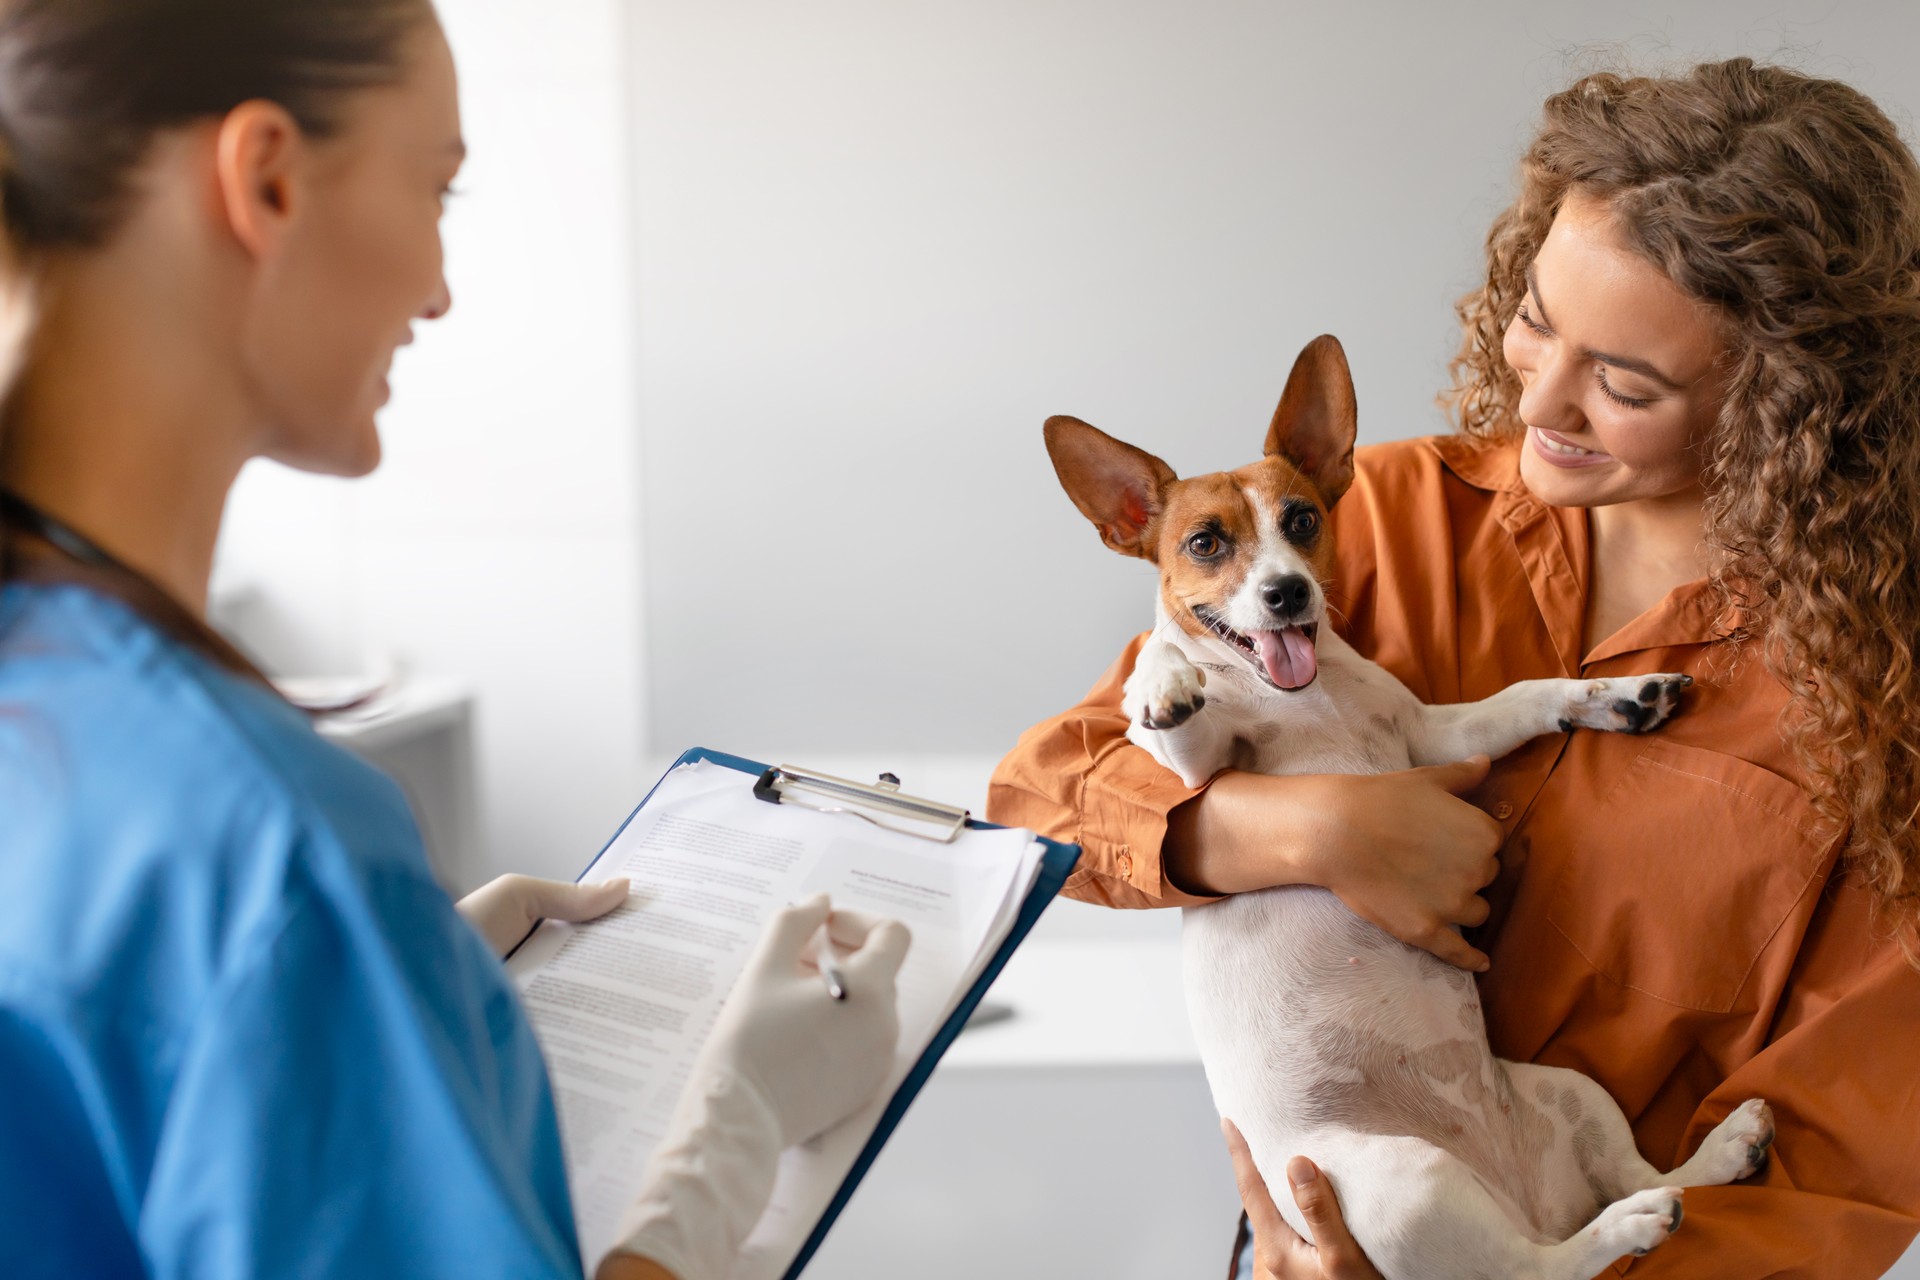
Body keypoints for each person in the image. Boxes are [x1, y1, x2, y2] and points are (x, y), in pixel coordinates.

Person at [0, 3, 908, 1279]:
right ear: (264, 178)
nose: (437, 286)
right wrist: (733, 1136)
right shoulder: (277, 853)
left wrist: (411, 989)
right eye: (436, 187)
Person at [989, 57, 1920, 1279]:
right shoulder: (1369, 517)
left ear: (1786, 401)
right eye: (1537, 319)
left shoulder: (1877, 698)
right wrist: (1295, 828)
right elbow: (1047, 792)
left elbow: (1833, 1161)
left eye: (1624, 383)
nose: (1539, 397)